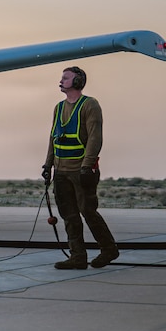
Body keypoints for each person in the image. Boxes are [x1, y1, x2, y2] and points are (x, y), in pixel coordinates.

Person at [42, 66, 119, 270]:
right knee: (69, 216)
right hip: (61, 171)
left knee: (88, 212)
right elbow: (53, 138)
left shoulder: (90, 105)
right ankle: (78, 256)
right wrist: (48, 165)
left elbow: (95, 137)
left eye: (66, 78)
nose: (61, 81)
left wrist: (87, 167)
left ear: (77, 82)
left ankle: (109, 249)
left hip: (81, 171)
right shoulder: (58, 108)